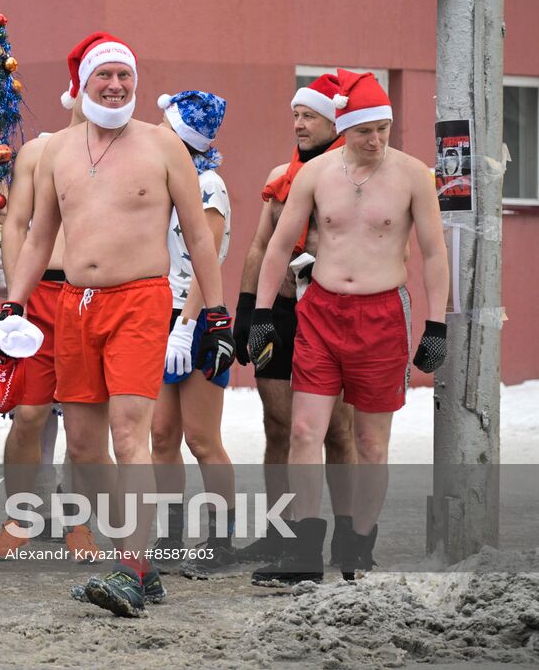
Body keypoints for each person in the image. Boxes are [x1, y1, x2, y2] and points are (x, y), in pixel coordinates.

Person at [0, 32, 234, 619]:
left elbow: (200, 235)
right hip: (74, 304)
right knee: (84, 445)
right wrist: (15, 301)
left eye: (126, 76)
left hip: (141, 300)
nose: (116, 85)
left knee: (131, 432)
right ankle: (144, 562)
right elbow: (40, 235)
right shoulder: (58, 151)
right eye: (105, 76)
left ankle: (129, 566)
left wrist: (217, 312)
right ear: (84, 84)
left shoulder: (161, 146)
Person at [248, 70, 448, 585]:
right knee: (303, 430)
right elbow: (276, 245)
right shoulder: (316, 176)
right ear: (345, 127)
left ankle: (357, 546)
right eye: (365, 130)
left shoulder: (411, 175)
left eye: (384, 128)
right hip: (320, 311)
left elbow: (433, 252)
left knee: (371, 441)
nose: (376, 139)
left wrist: (437, 325)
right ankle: (304, 551)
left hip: (383, 315)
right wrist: (262, 314)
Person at [233, 73, 358, 566]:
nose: (299, 125)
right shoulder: (280, 175)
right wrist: (248, 309)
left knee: (336, 431)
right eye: (296, 116)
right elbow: (261, 246)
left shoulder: (354, 175)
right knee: (277, 425)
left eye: (308, 116)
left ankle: (346, 536)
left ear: (335, 120)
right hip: (282, 312)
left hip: (333, 313)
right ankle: (281, 533)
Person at [0, 128, 98, 562]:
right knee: (28, 415)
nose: (108, 88)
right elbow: (14, 224)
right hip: (41, 294)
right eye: (96, 77)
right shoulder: (40, 152)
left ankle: (80, 524)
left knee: (84, 423)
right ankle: (19, 521)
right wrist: (17, 299)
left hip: (91, 293)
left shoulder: (127, 149)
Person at [146, 91, 237, 577]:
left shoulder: (210, 186)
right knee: (161, 435)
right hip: (156, 314)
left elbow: (209, 259)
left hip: (198, 316)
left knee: (202, 438)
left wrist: (186, 327)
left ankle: (221, 540)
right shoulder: (164, 179)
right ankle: (171, 535)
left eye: (165, 125)